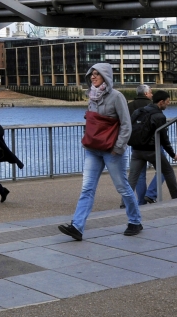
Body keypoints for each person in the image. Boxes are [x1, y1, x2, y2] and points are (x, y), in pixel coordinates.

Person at [58, 63, 142, 240]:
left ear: (106, 76)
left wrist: (118, 148)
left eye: (96, 74)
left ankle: (135, 221)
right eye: (91, 74)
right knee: (87, 188)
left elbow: (126, 125)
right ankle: (77, 227)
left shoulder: (117, 97)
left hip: (111, 151)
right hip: (92, 149)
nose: (92, 77)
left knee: (122, 187)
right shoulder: (92, 96)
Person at [128, 91, 177, 203]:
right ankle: (176, 198)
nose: (169, 104)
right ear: (161, 102)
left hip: (136, 148)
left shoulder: (138, 111)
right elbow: (164, 139)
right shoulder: (159, 116)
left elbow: (128, 126)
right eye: (167, 102)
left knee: (134, 176)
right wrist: (172, 154)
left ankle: (128, 202)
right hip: (152, 150)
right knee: (167, 171)